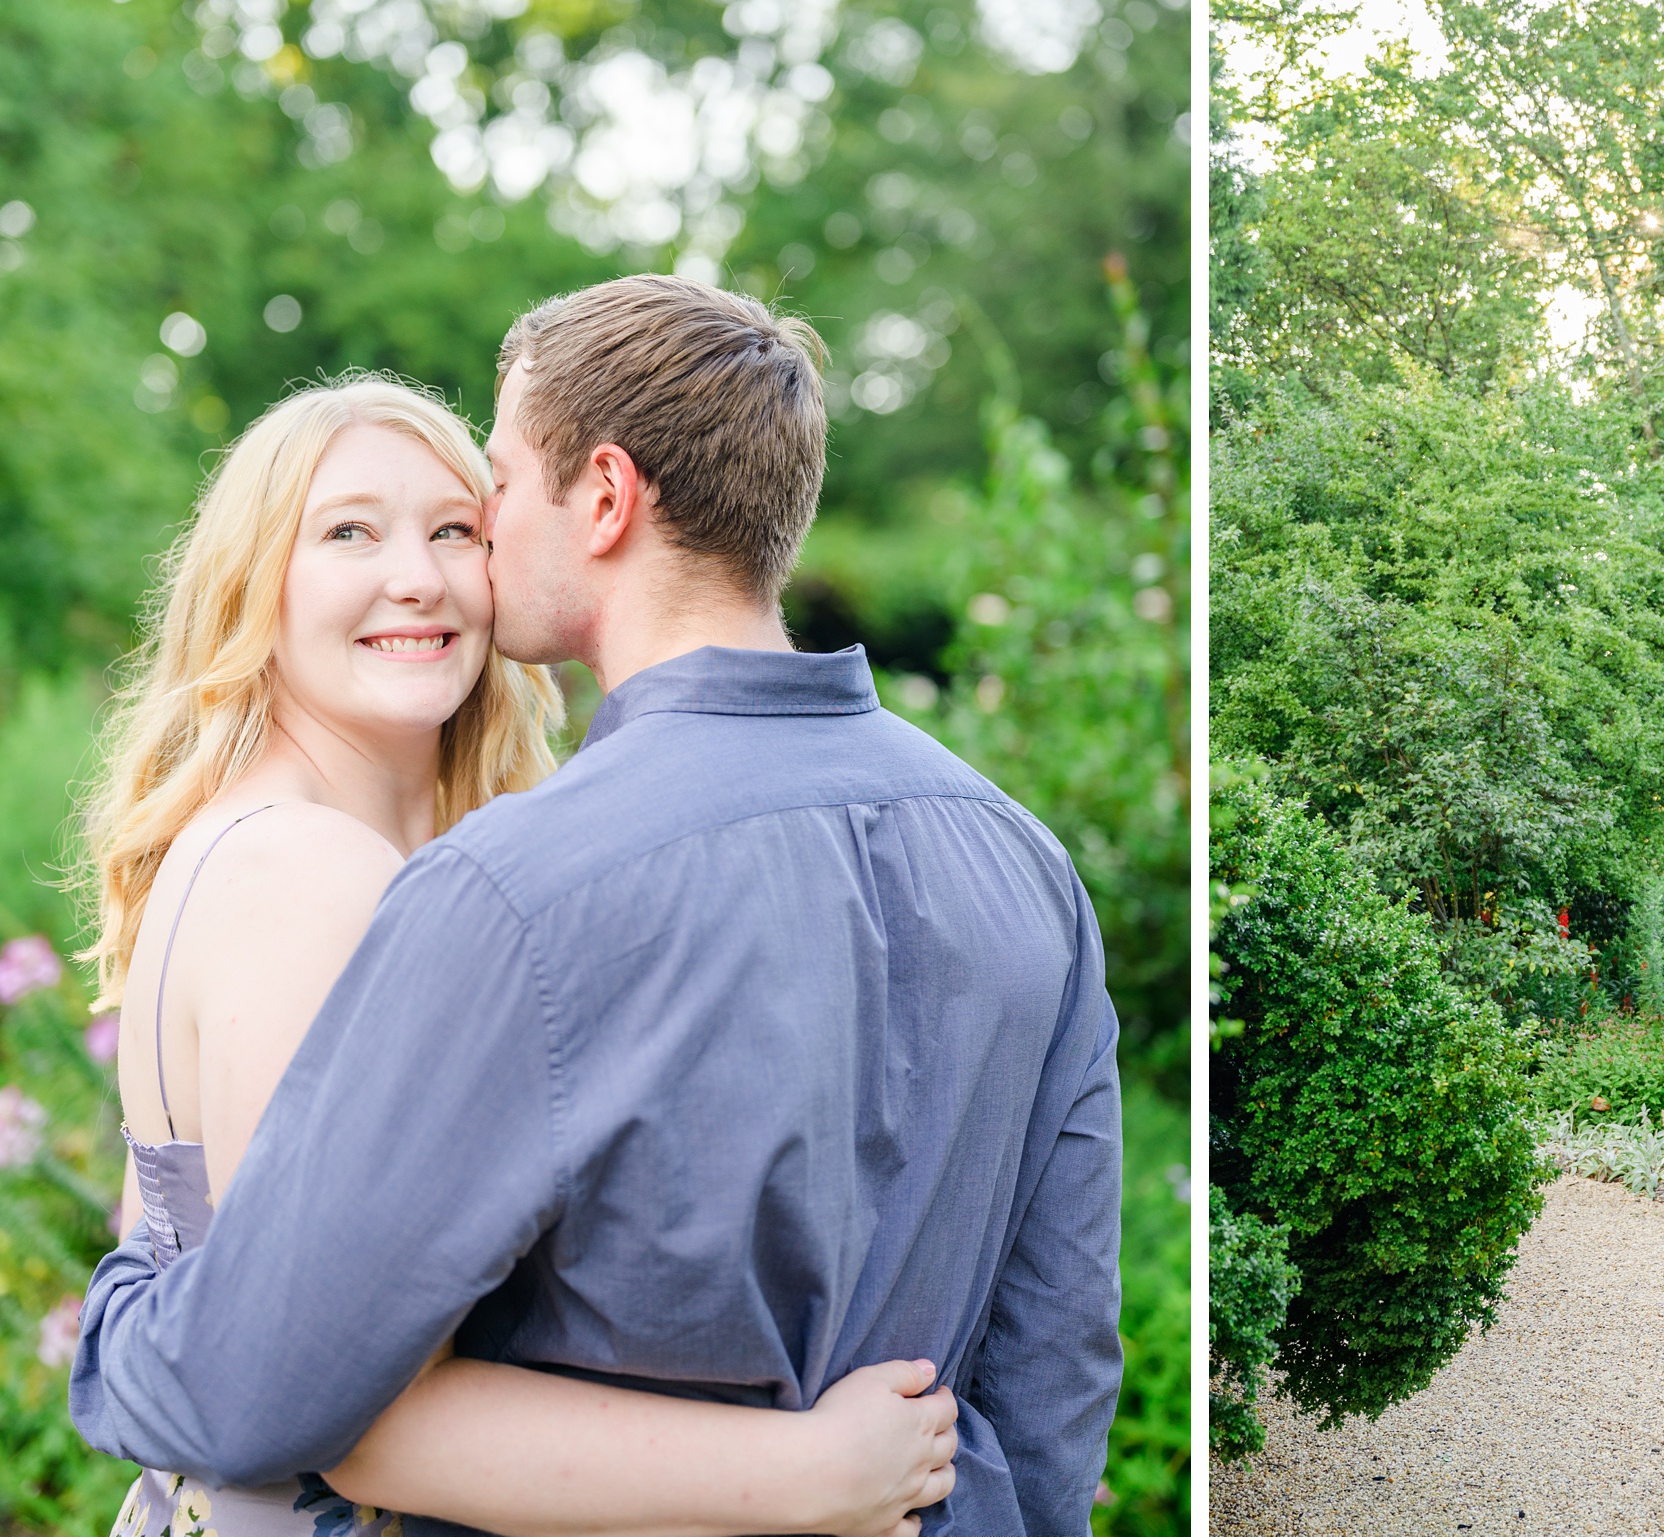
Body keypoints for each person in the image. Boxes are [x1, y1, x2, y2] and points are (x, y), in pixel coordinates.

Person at [75, 276, 1123, 1536]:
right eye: (351, 533)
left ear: (610, 497)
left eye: (488, 496)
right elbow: (1056, 1356)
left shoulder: (516, 886)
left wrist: (123, 1309)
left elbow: (260, 1392)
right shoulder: (1027, 865)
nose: (464, 546)